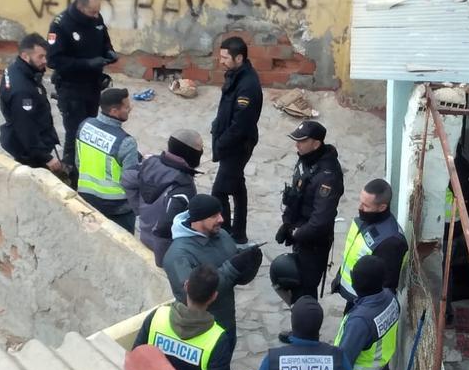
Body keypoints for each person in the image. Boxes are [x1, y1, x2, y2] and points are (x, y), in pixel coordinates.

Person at [163, 194, 263, 336]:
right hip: (199, 329)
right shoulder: (178, 256)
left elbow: (237, 279)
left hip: (226, 322)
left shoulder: (221, 235)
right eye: (214, 216)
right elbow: (192, 295)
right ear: (198, 220)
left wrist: (251, 264)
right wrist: (232, 267)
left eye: (220, 214)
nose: (221, 219)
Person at [48, 0, 118, 186]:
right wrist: (86, 64)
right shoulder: (60, 25)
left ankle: (86, 167)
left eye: (98, 12)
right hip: (71, 88)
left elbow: (104, 38)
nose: (96, 15)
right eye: (92, 12)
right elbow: (54, 60)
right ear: (80, 7)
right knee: (74, 132)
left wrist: (109, 52)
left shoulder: (95, 18)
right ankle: (69, 175)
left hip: (92, 85)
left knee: (90, 126)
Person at [275, 120, 344, 317]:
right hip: (301, 234)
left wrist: (297, 234)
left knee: (305, 289)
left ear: (316, 143)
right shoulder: (306, 159)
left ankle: (306, 332)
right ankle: (301, 326)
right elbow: (295, 194)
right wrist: (287, 224)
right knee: (297, 283)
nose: (297, 145)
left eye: (301, 141)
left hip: (314, 242)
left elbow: (320, 220)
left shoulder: (327, 176)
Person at [210, 36, 263, 243]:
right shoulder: (235, 74)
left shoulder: (248, 85)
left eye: (225, 57)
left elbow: (241, 125)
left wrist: (221, 143)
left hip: (237, 145)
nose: (221, 61)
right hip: (229, 141)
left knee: (219, 191)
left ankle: (227, 232)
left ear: (238, 58)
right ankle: (239, 233)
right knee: (237, 184)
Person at [123, 129, 202, 265]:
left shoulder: (150, 163)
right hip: (165, 250)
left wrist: (139, 210)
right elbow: (165, 229)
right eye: (200, 148)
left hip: (144, 237)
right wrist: (162, 263)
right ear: (190, 153)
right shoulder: (183, 186)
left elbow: (127, 179)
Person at [332, 179, 407, 313]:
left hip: (363, 306)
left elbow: (385, 287)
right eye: (361, 202)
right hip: (354, 296)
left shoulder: (391, 242)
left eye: (366, 205)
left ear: (382, 207)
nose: (360, 208)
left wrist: (363, 312)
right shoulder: (367, 217)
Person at [74, 88, 139, 233]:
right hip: (118, 208)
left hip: (86, 198)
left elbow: (78, 162)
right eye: (126, 107)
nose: (130, 109)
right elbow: (131, 181)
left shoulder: (85, 126)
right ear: (114, 111)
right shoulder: (127, 142)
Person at [0, 33, 63, 174]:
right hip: (29, 152)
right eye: (40, 57)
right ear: (25, 56)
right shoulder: (23, 91)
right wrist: (46, 158)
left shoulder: (16, 69)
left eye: (45, 56)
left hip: (25, 142)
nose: (45, 60)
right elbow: (25, 127)